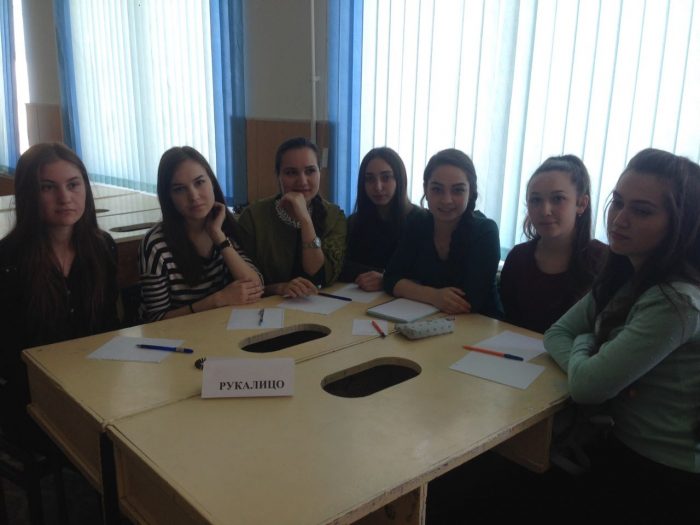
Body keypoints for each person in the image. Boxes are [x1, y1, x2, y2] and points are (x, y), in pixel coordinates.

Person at [544, 148, 700, 519]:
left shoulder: (676, 302)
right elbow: (557, 333)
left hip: (663, 472)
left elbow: (587, 385)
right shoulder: (627, 274)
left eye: (641, 211)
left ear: (681, 224)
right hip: (618, 445)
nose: (619, 218)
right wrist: (589, 353)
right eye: (617, 202)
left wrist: (587, 344)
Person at [0, 142, 119, 450]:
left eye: (73, 185)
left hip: (96, 384)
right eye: (47, 187)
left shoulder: (102, 246)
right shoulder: (8, 259)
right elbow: (8, 354)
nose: (65, 198)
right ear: (29, 194)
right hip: (34, 395)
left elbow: (108, 326)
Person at [139, 146, 262, 321]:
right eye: (179, 189)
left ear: (212, 182)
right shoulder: (156, 245)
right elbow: (154, 320)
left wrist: (218, 236)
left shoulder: (224, 226)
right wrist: (217, 300)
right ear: (168, 197)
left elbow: (255, 287)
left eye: (199, 182)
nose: (194, 196)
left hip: (224, 328)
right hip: (180, 334)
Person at [383, 148, 502, 317]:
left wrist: (412, 289)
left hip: (479, 325)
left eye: (457, 190)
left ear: (470, 192)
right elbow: (390, 279)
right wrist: (434, 296)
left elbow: (468, 301)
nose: (446, 200)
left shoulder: (485, 231)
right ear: (426, 189)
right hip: (425, 319)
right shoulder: (417, 222)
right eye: (437, 189)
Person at [500, 155, 607, 333]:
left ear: (581, 204)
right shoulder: (518, 258)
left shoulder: (604, 260)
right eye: (536, 200)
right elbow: (508, 322)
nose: (545, 211)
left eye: (558, 199)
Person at [237, 137, 347, 297]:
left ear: (320, 173)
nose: (302, 181)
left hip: (322, 304)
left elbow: (318, 273)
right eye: (291, 172)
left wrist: (305, 220)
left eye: (310, 171)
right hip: (266, 306)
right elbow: (242, 282)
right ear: (278, 176)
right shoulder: (253, 217)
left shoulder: (334, 216)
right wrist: (278, 288)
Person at [340, 147, 422, 291]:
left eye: (386, 177)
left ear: (399, 179)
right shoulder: (354, 222)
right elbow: (341, 266)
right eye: (370, 179)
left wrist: (386, 279)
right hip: (357, 298)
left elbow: (423, 273)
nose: (378, 187)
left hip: (406, 301)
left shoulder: (421, 221)